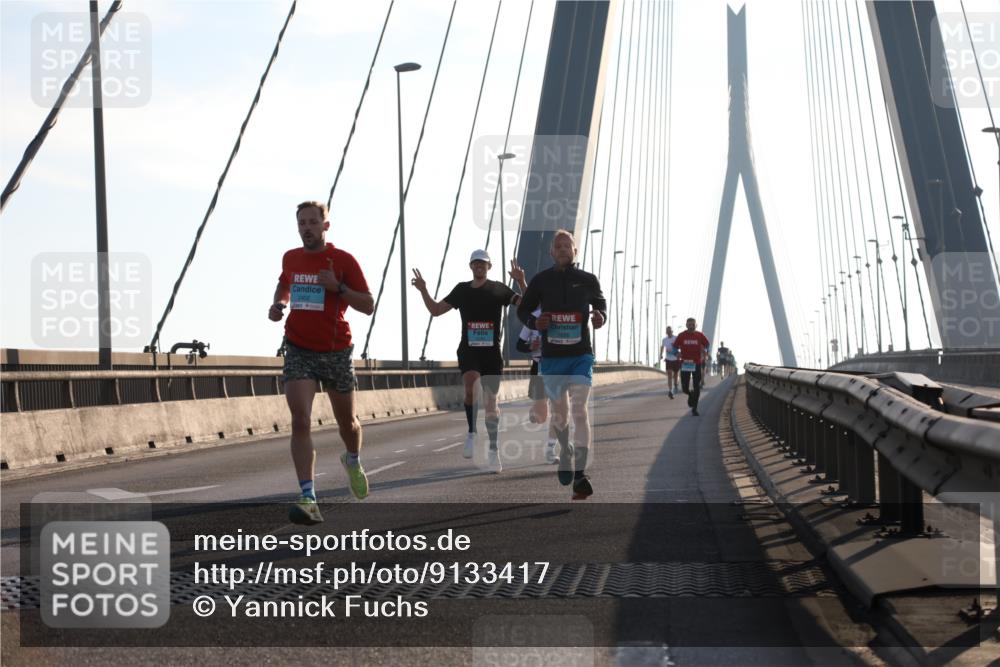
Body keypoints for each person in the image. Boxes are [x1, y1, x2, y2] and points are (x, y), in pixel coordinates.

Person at [269, 200, 375, 525]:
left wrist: (339, 288)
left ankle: (353, 459)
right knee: (300, 420)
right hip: (299, 348)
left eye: (313, 222)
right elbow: (284, 283)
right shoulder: (291, 257)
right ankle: (308, 496)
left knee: (348, 424)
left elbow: (368, 305)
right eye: (302, 223)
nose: (307, 228)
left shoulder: (343, 260)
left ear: (325, 226)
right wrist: (278, 303)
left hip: (336, 351)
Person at [411, 250, 526, 473]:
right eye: (475, 264)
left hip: (491, 353)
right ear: (470, 266)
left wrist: (521, 281)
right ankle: (472, 433)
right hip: (469, 350)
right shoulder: (462, 290)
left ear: (489, 267)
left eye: (483, 264)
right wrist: (424, 290)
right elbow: (435, 310)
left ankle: (493, 450)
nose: (479, 267)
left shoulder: (498, 288)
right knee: (471, 385)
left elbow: (526, 304)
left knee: (492, 402)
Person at [517, 230, 607, 500]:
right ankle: (565, 451)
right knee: (560, 415)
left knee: (580, 410)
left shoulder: (588, 280)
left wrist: (600, 315)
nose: (563, 248)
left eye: (568, 245)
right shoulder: (541, 281)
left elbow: (600, 303)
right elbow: (523, 310)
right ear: (551, 252)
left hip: (581, 355)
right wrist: (534, 323)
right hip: (553, 358)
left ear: (575, 251)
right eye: (558, 245)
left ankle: (580, 474)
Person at [516, 307, 559, 464]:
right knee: (541, 417)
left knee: (559, 410)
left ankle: (551, 449)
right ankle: (536, 410)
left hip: (557, 367)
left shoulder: (562, 314)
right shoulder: (532, 318)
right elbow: (519, 345)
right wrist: (530, 347)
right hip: (538, 366)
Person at [672, 317, 710, 416]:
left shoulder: (699, 335)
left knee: (696, 386)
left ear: (695, 325)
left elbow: (707, 344)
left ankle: (695, 408)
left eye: (693, 325)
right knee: (684, 387)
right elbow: (674, 347)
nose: (691, 326)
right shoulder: (681, 336)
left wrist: (706, 351)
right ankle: (690, 394)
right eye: (689, 325)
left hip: (696, 363)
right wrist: (676, 353)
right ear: (686, 325)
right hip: (685, 364)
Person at [658, 325, 680, 398]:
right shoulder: (664, 340)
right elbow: (662, 347)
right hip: (668, 359)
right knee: (669, 374)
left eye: (670, 331)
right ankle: (670, 390)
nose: (669, 332)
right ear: (666, 332)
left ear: (672, 331)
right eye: (667, 331)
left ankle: (676, 384)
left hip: (676, 358)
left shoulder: (676, 338)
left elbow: (680, 346)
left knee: (676, 373)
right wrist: (661, 355)